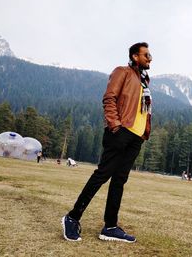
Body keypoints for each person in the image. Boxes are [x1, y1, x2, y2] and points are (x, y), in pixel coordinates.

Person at [61, 42, 153, 243]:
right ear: (135, 56)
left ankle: (110, 226)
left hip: (136, 137)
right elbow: (109, 98)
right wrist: (115, 126)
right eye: (146, 54)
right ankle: (72, 217)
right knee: (102, 175)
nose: (150, 58)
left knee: (119, 180)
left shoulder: (144, 81)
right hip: (120, 133)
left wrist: (142, 133)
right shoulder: (123, 72)